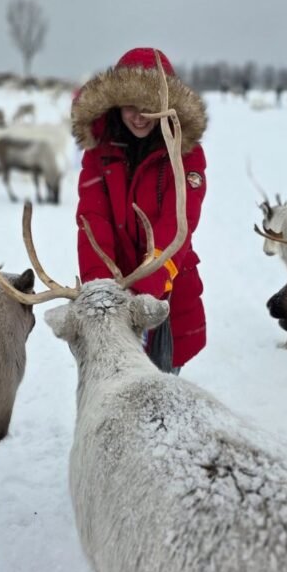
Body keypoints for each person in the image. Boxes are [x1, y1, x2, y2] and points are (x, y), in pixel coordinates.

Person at [72, 47, 208, 372]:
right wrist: (101, 289)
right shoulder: (99, 152)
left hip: (165, 294)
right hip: (114, 293)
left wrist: (147, 291)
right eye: (130, 106)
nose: (139, 116)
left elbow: (178, 225)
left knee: (161, 387)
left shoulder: (185, 155)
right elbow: (93, 219)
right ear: (116, 103)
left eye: (150, 107)